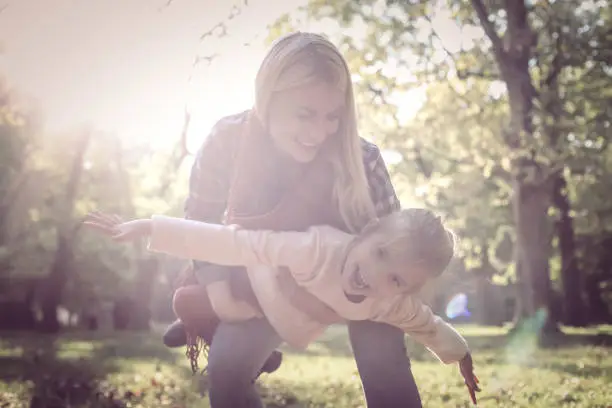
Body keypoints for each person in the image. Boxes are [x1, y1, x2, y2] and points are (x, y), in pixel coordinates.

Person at [159, 31, 430, 407]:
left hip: (363, 285)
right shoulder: (227, 139)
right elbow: (201, 219)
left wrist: (359, 300)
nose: (319, 132)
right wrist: (221, 297)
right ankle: (204, 314)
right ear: (266, 99)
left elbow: (399, 247)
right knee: (227, 370)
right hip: (269, 285)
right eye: (304, 115)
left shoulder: (362, 159)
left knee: (384, 363)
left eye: (332, 116)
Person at [84, 207, 480, 405]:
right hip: (259, 290)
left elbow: (427, 324)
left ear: (406, 289)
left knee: (216, 314)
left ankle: (206, 323)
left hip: (293, 322)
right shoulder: (315, 247)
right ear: (366, 232)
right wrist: (152, 227)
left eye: (396, 279)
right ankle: (199, 320)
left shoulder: (388, 303)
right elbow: (237, 242)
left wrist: (460, 354)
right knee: (200, 306)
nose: (375, 277)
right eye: (379, 253)